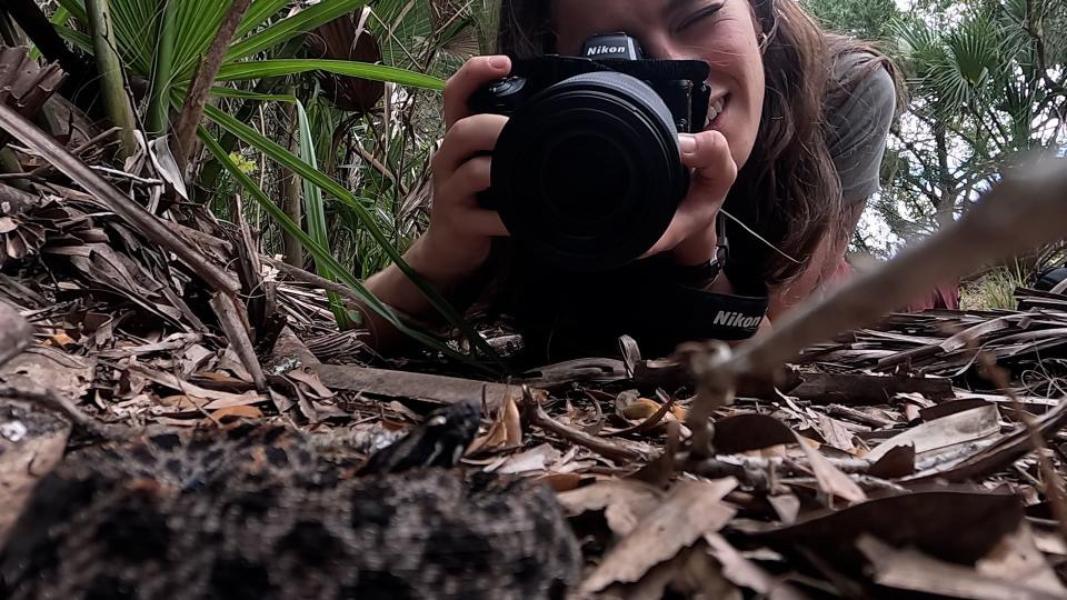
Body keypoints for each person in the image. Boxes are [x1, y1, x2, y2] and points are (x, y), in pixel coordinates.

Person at [363, 0, 900, 362]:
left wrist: (698, 253)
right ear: (560, 65)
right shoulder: (558, 130)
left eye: (699, 14)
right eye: (611, 47)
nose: (675, 66)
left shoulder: (844, 94)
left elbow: (777, 347)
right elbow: (349, 328)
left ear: (759, 16)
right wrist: (448, 250)